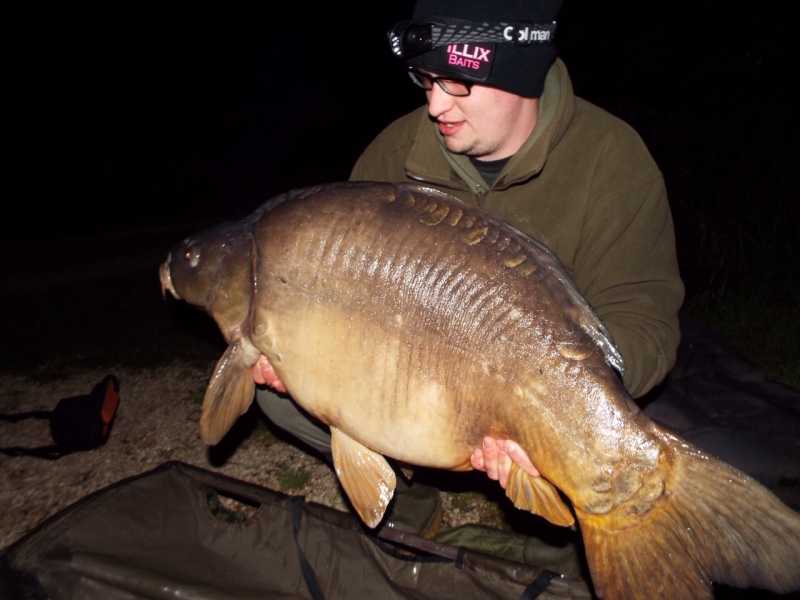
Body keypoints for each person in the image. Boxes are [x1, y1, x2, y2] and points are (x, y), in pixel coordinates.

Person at [255, 0, 684, 538]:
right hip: (415, 390)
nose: (435, 104)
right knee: (279, 390)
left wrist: (547, 409)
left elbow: (645, 324)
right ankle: (412, 504)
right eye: (425, 79)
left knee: (625, 467)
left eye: (457, 83)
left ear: (520, 76)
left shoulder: (613, 160)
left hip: (542, 402)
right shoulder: (393, 158)